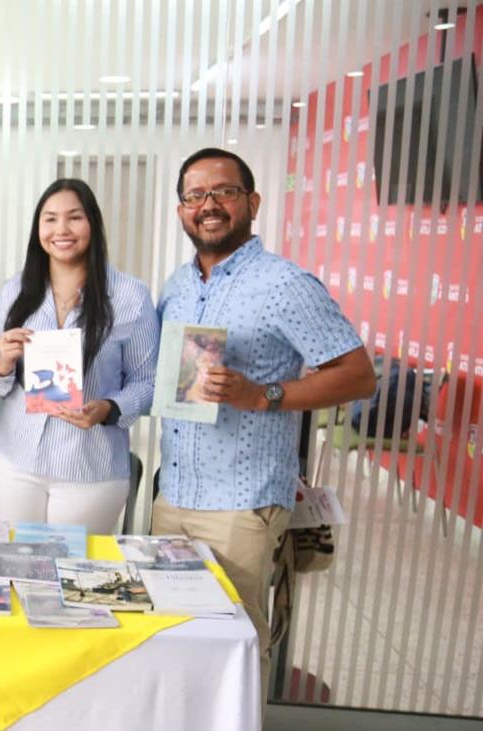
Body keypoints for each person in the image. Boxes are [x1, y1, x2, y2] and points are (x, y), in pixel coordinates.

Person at [155, 147, 377, 703]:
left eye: (223, 192)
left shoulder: (285, 283)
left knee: (235, 661)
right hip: (172, 497)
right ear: (181, 210)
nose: (208, 205)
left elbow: (357, 376)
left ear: (251, 202)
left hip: (242, 505)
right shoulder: (176, 287)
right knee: (170, 647)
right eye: (194, 195)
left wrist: (264, 395)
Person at [0, 179, 159, 534]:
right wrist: (3, 362)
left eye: (74, 218)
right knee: (15, 570)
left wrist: (109, 408)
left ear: (92, 224)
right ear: (38, 230)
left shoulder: (130, 296)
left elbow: (148, 382)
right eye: (49, 219)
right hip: (15, 463)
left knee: (73, 578)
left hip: (89, 469)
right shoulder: (16, 292)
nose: (61, 229)